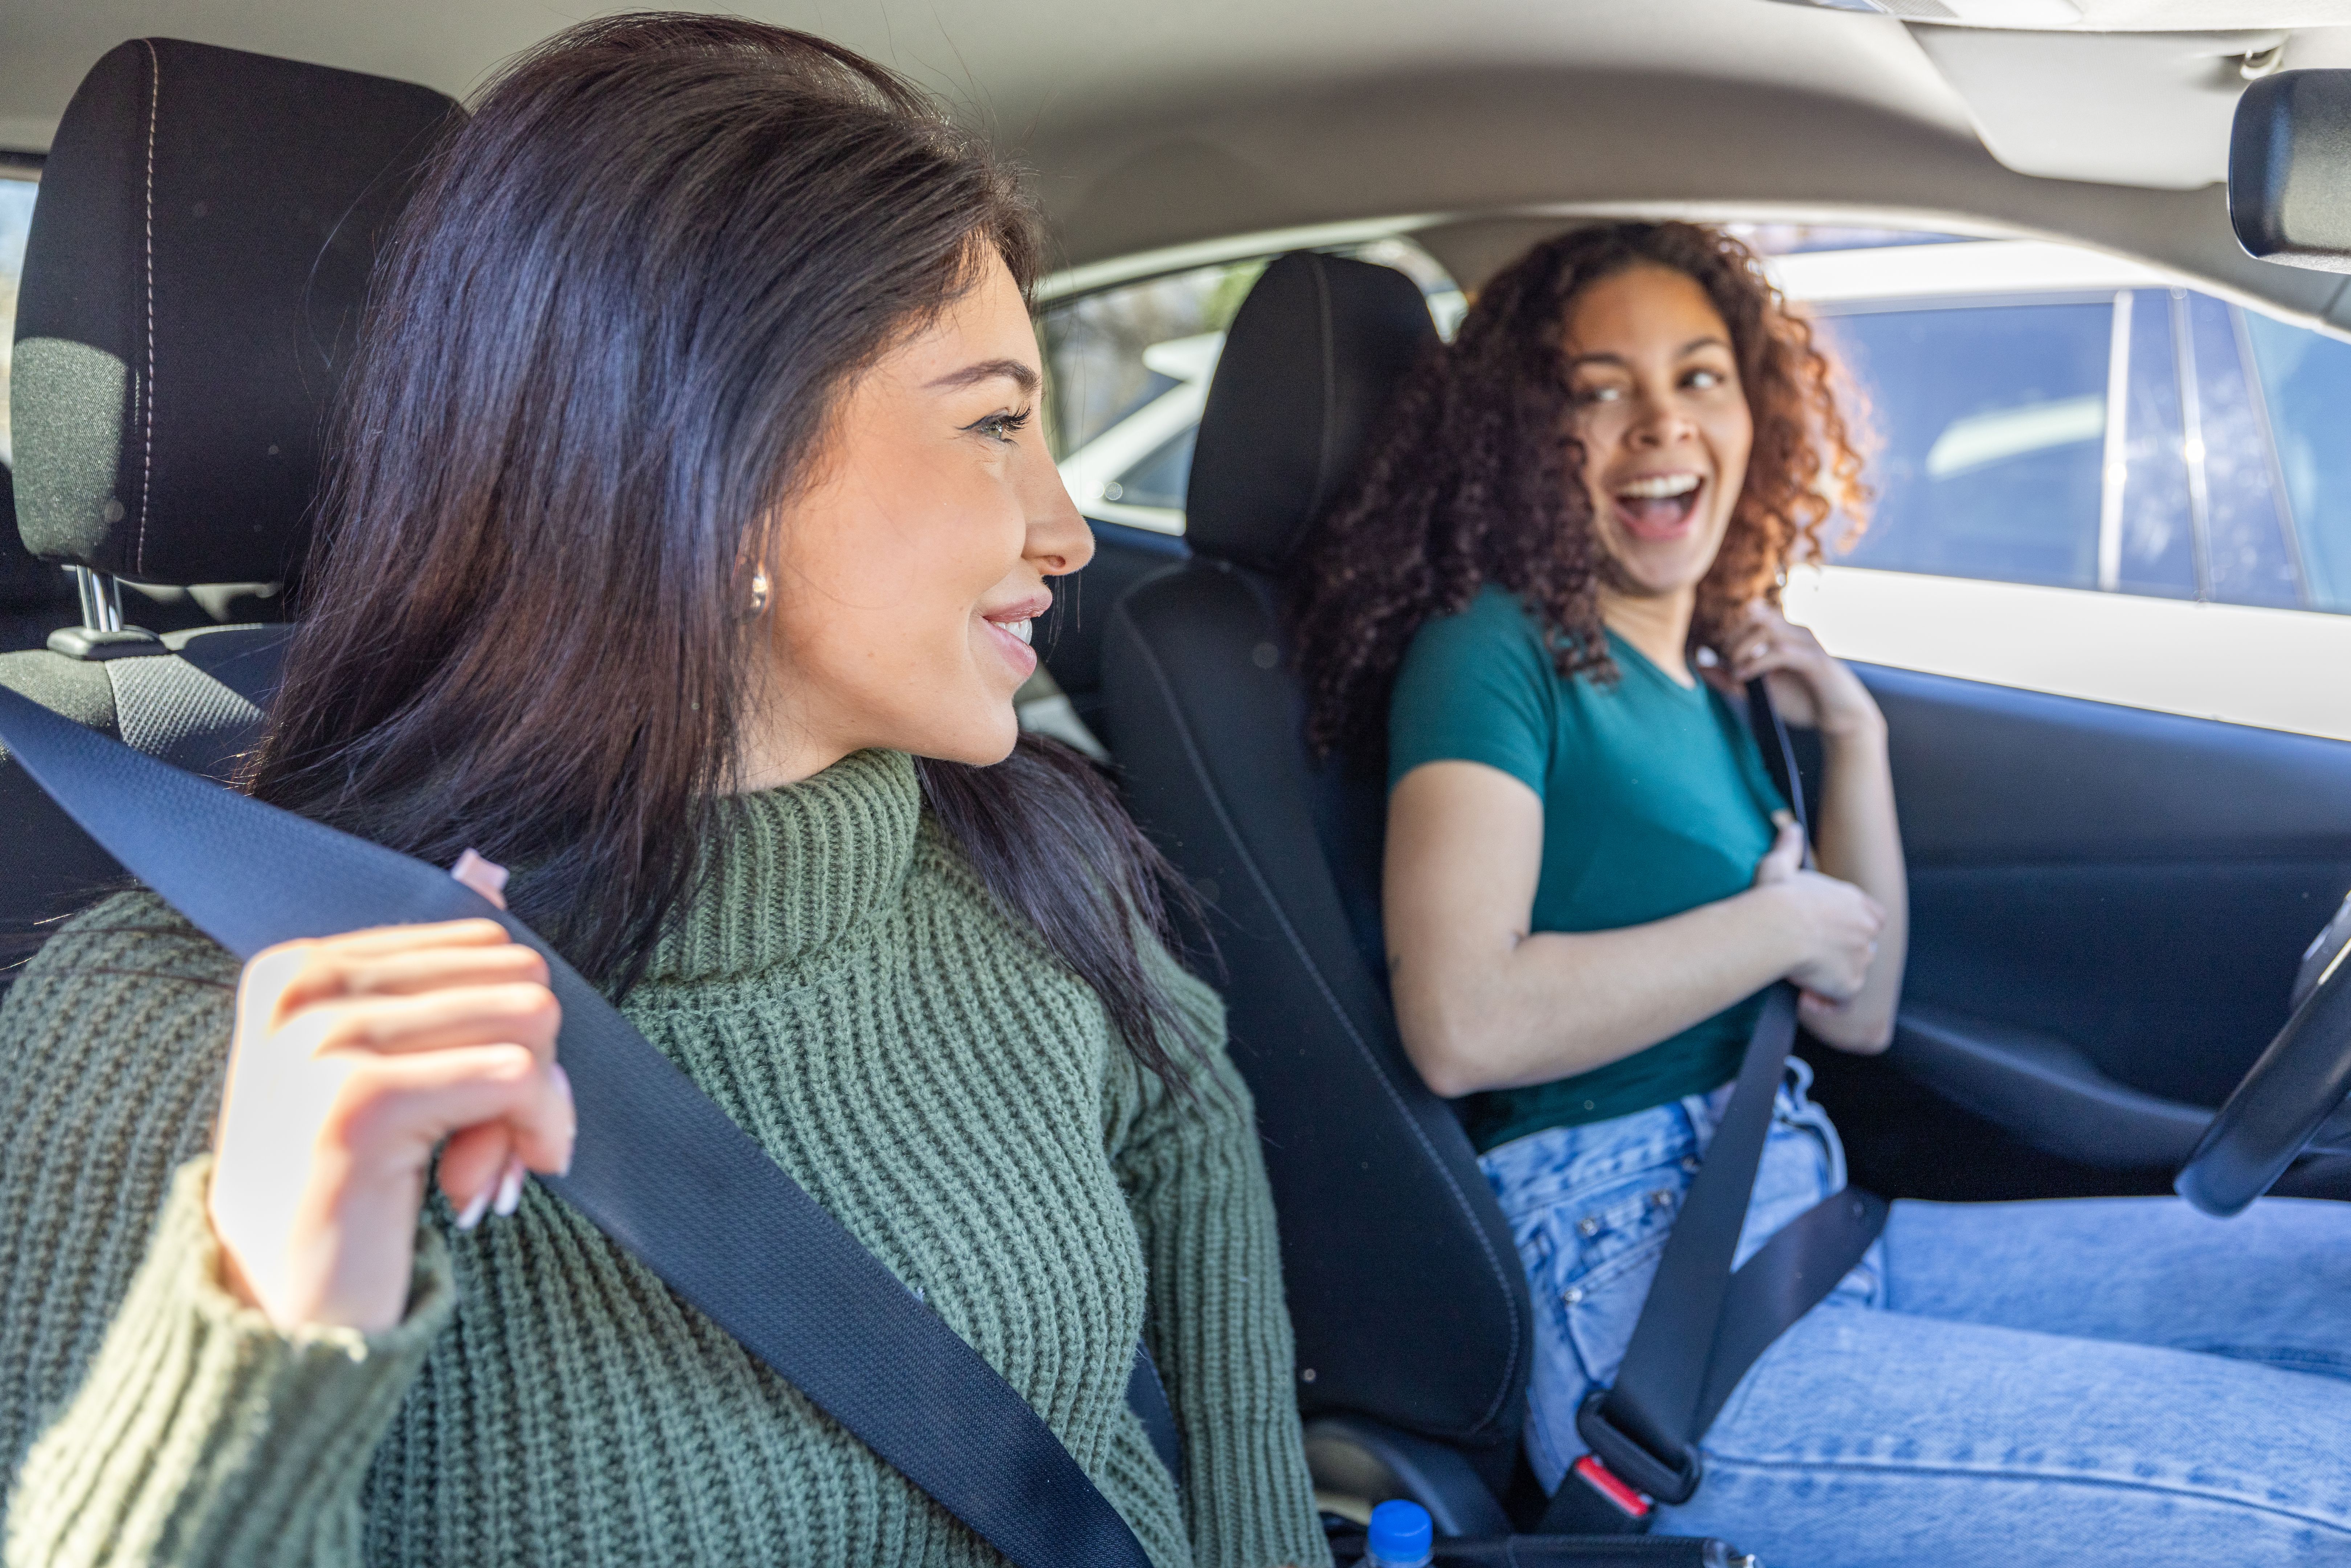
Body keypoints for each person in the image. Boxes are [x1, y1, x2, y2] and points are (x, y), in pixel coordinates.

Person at [0, 18, 1328, 1568]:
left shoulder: (1034, 856)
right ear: (715, 461)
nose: (1065, 526)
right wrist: (270, 1290)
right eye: (995, 425)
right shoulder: (189, 1029)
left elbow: (1194, 1180)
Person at [1289, 220, 2351, 1568]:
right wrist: (1774, 922)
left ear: (1756, 411)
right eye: (1597, 389)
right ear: (1521, 436)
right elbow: (1462, 1018)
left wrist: (1854, 737)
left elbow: (1857, 1007)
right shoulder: (1490, 650)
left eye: (1698, 378)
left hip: (1805, 1225)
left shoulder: (1714, 681)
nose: (1657, 424)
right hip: (1636, 1306)